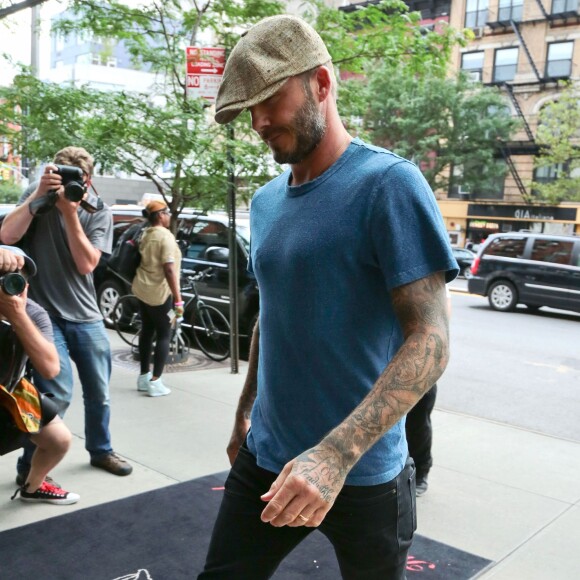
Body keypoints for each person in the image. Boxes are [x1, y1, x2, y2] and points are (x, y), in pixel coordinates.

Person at [199, 15, 458, 580]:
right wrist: (243, 415)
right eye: (250, 110)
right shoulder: (266, 203)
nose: (260, 121)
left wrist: (334, 454)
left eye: (272, 99)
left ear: (321, 83)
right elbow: (274, 314)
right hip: (266, 456)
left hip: (363, 472)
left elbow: (432, 341)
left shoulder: (388, 184)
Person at [0, 146, 133, 483]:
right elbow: (6, 236)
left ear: (87, 180)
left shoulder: (96, 210)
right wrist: (39, 197)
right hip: (43, 313)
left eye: (77, 178)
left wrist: (69, 212)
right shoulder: (37, 197)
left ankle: (101, 450)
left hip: (86, 314)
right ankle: (29, 468)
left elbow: (87, 263)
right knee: (55, 395)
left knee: (99, 391)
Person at [0, 246, 79, 505]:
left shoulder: (32, 311)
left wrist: (17, 314)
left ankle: (32, 487)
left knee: (59, 440)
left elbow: (50, 368)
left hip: (11, 392)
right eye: (4, 274)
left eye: (19, 275)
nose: (11, 283)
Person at [132, 200, 183, 397]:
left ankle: (144, 377)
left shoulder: (146, 234)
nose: (169, 216)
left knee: (146, 331)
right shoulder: (165, 238)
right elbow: (169, 269)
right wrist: (178, 300)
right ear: (160, 215)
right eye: (167, 213)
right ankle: (156, 381)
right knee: (164, 334)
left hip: (143, 289)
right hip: (161, 295)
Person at [405, 288, 452, 497]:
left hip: (416, 359)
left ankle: (421, 471)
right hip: (381, 356)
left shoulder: (425, 272)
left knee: (417, 420)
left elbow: (440, 313)